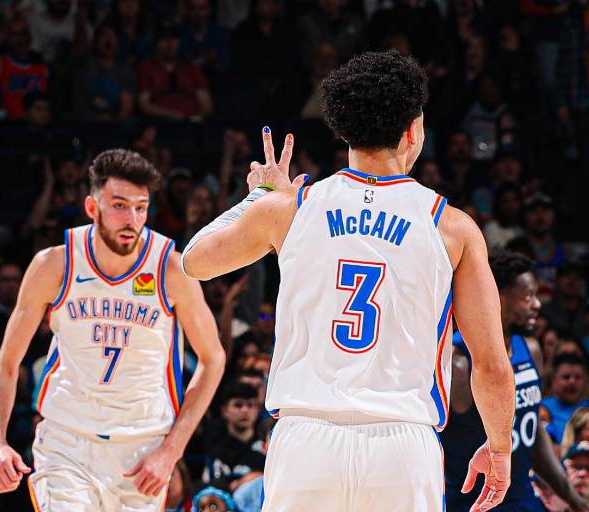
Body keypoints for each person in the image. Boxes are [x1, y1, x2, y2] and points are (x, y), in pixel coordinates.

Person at [182, 50, 515, 511]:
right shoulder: (451, 226)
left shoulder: (291, 208)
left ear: (343, 130)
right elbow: (492, 363)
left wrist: (261, 197)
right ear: (414, 130)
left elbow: (194, 261)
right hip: (401, 444)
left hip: (305, 439)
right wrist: (499, 447)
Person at [0, 148, 226, 510]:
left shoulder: (170, 269)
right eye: (119, 206)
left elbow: (213, 359)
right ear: (92, 207)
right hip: (67, 442)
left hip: (142, 449)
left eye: (141, 207)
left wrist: (171, 450)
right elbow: (5, 362)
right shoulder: (55, 264)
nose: (131, 219)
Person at [442, 250, 587, 511]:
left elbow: (533, 433)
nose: (537, 304)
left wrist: (573, 499)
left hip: (522, 499)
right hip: (474, 504)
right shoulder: (459, 363)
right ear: (496, 296)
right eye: (528, 296)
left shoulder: (530, 349)